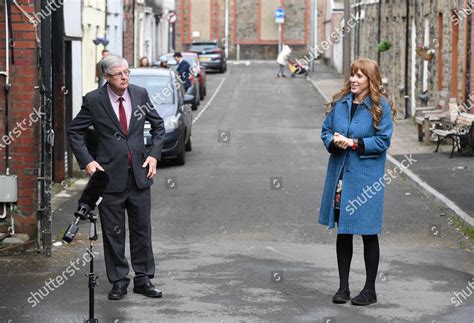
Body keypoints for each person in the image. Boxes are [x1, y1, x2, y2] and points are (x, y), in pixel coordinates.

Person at [67, 55, 165, 300]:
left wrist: (153, 155)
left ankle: (143, 279)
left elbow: (158, 126)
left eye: (127, 72)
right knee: (113, 232)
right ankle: (119, 281)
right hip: (109, 179)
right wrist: (88, 162)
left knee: (142, 230)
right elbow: (74, 131)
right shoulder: (94, 100)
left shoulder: (140, 94)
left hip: (139, 177)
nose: (124, 77)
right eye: (119, 74)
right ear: (106, 77)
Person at [319, 58, 396, 306]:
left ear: (370, 80)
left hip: (366, 180)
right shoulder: (340, 104)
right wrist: (334, 140)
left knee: (367, 232)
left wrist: (354, 143)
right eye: (352, 74)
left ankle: (369, 290)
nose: (353, 79)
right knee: (344, 232)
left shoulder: (380, 106)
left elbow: (383, 141)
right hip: (341, 177)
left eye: (360, 76)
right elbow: (325, 130)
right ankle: (343, 288)